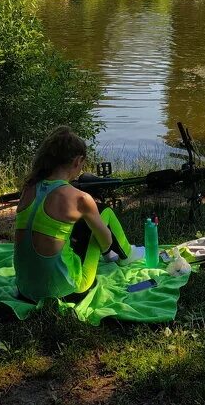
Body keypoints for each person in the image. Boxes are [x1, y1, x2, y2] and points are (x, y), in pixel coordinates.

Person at [13, 126, 139, 303]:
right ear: (77, 161)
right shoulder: (80, 199)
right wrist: (105, 246)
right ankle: (126, 255)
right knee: (105, 213)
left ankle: (117, 254)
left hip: (24, 290)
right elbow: (106, 242)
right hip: (65, 292)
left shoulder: (28, 188)